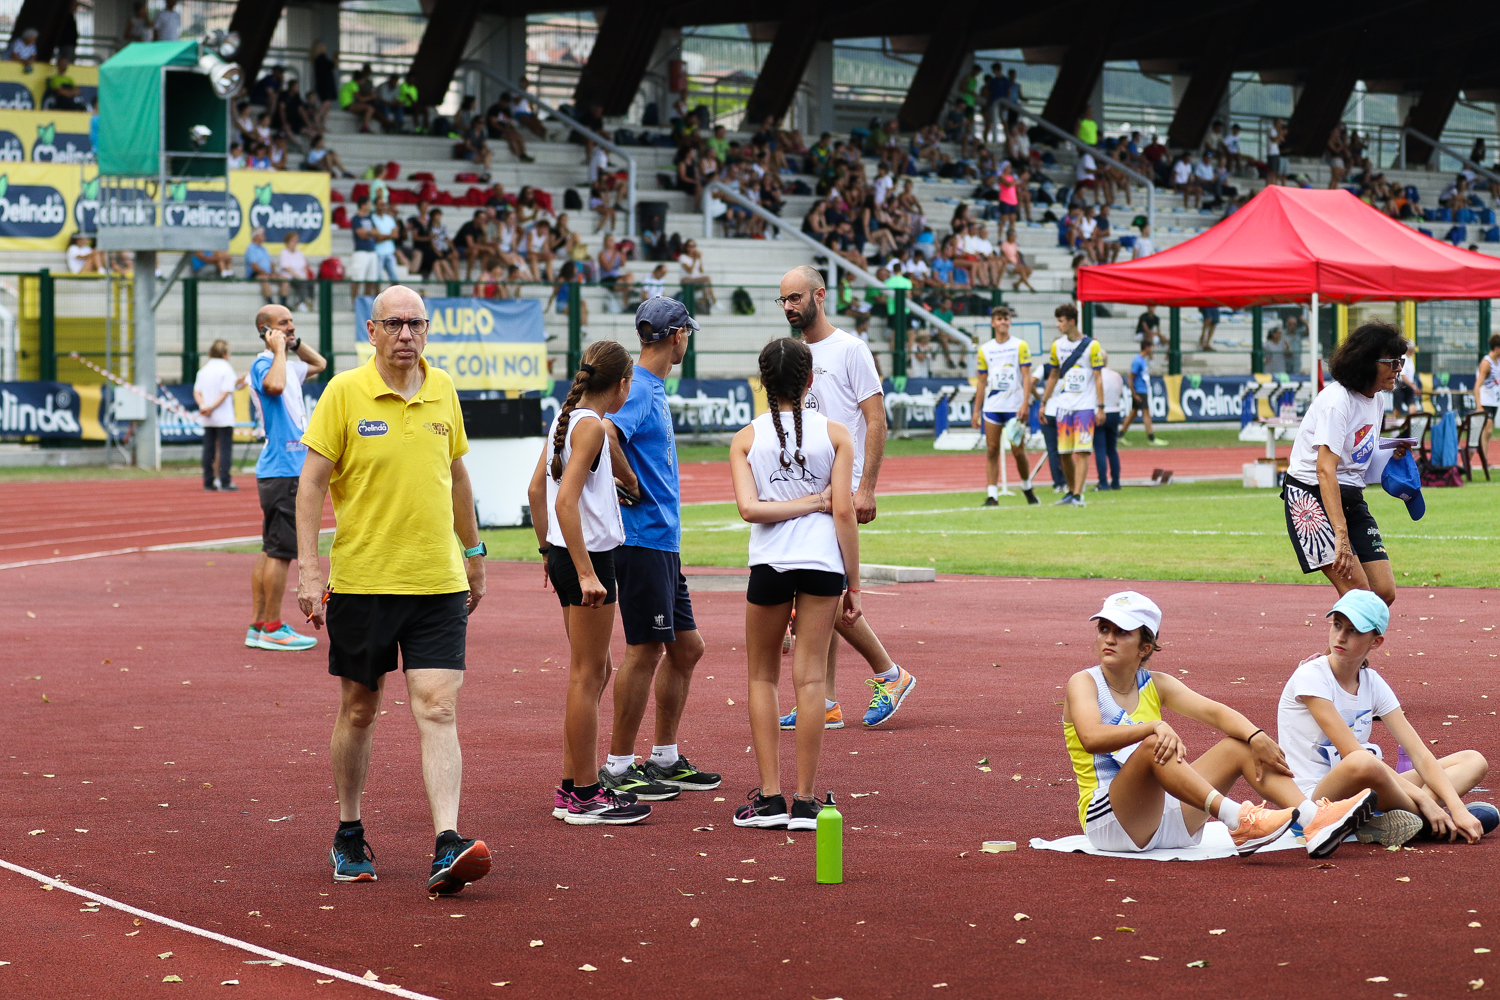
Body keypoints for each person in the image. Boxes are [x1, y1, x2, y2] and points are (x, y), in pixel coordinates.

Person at [296, 285, 491, 894]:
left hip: (437, 581)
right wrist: (309, 570)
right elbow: (310, 485)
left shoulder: (444, 389)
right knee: (360, 709)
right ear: (372, 331)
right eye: (394, 324)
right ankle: (348, 830)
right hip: (364, 583)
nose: (406, 334)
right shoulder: (343, 392)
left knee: (438, 705)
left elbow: (456, 473)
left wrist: (474, 554)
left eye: (416, 324)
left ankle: (447, 841)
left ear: (427, 330)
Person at [1064, 590, 1377, 858]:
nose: (1109, 638)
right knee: (1153, 744)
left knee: (1240, 746)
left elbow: (1216, 713)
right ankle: (1238, 819)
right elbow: (1091, 737)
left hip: (1162, 819)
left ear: (1144, 648)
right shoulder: (1084, 682)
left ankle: (1314, 820)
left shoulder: (1156, 683)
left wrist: (1256, 736)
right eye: (1104, 629)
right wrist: (1152, 726)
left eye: (1121, 632)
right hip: (1108, 823)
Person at [730, 337, 863, 831]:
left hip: (770, 562)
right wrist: (853, 582)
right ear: (810, 380)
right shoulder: (837, 434)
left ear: (762, 382)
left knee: (762, 677)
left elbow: (750, 510)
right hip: (823, 563)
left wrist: (794, 505)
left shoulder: (746, 439)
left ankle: (769, 798)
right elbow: (843, 511)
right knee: (810, 681)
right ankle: (806, 802)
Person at [776, 265, 916, 731]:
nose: (789, 307)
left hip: (840, 490)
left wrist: (866, 486)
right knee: (821, 593)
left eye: (796, 297)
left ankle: (890, 674)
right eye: (783, 300)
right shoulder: (795, 353)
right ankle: (826, 701)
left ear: (819, 295)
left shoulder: (850, 349)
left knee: (824, 596)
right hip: (809, 490)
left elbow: (876, 419)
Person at [593, 299, 721, 803]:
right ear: (677, 335)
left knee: (687, 649)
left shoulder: (649, 385)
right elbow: (605, 432)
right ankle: (619, 765)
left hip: (661, 541)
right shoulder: (642, 387)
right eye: (687, 332)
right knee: (645, 649)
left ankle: (664, 757)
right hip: (643, 538)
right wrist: (629, 482)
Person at [527, 341, 653, 827]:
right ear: (621, 384)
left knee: (595, 672)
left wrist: (549, 551)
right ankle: (584, 793)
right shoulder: (593, 427)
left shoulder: (567, 419)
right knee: (587, 674)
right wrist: (583, 571)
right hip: (588, 559)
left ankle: (571, 786)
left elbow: (536, 490)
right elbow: (563, 501)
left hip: (567, 554)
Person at [1276, 590, 1496, 848]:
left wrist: (1456, 806)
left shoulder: (1372, 682)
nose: (1340, 637)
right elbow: (1351, 753)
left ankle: (1409, 821)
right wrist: (1427, 801)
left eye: (1354, 631)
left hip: (1363, 789)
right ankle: (1428, 822)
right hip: (1312, 801)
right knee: (1362, 760)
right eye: (1337, 625)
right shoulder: (1311, 676)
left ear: (1376, 641)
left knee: (1473, 760)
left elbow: (1419, 754)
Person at [1281, 322, 1411, 605]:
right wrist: (1340, 534)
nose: (1399, 369)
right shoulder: (1336, 402)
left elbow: (1358, 458)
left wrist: (1390, 454)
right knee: (1358, 596)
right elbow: (1324, 470)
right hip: (1311, 496)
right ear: (1366, 362)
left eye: (1400, 361)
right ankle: (1341, 637)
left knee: (1383, 592)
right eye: (1392, 362)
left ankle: (1344, 637)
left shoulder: (1376, 399)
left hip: (1349, 496)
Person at [247, 305, 325, 652]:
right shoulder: (265, 364)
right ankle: (273, 627)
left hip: (283, 469)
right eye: (283, 323)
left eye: (292, 321)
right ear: (266, 331)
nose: (291, 326)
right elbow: (275, 386)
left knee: (271, 550)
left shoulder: (287, 364)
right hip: (283, 469)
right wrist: (278, 348)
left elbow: (320, 364)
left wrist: (293, 343)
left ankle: (258, 625)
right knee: (281, 553)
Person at [970, 306, 1038, 506]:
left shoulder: (1020, 346)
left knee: (1018, 451)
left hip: (1014, 407)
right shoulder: (985, 349)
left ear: (1010, 321)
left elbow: (1026, 376)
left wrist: (1025, 403)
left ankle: (1027, 487)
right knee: (992, 450)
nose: (1003, 322)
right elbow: (981, 381)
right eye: (999, 319)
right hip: (992, 407)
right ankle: (992, 495)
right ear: (993, 323)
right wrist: (976, 410)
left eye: (1006, 318)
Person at [1040, 303, 1106, 506]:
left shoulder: (1092, 346)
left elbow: (1098, 377)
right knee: (1064, 452)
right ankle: (1071, 491)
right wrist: (1044, 402)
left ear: (1071, 321)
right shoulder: (1057, 345)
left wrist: (1101, 406)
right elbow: (1053, 374)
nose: (1057, 325)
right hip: (1064, 405)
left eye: (1060, 321)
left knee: (1083, 450)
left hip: (1085, 405)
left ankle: (1078, 494)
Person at [193, 339, 245, 493]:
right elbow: (225, 392)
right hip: (223, 417)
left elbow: (196, 391)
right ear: (225, 353)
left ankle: (208, 481)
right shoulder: (226, 369)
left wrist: (203, 406)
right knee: (224, 449)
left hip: (208, 417)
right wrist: (212, 407)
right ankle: (224, 480)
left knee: (208, 449)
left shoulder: (203, 370)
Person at [1119, 339, 1165, 445]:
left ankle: (1120, 435)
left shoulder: (1143, 360)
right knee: (1146, 413)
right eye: (1151, 348)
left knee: (1133, 413)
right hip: (1139, 391)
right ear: (1147, 348)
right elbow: (1130, 377)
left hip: (1142, 390)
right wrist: (1134, 393)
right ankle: (1152, 438)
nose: (1153, 350)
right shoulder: (1137, 360)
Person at [1095, 366, 1125, 491]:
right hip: (1114, 411)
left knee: (1100, 449)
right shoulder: (1116, 375)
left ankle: (1103, 482)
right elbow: (1121, 393)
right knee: (1112, 449)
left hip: (1099, 411)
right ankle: (1116, 481)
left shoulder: (1095, 375)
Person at [348, 197, 379, 305]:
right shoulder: (356, 219)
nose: (370, 206)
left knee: (371, 279)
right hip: (361, 251)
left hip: (371, 251)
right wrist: (371, 233)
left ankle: (367, 303)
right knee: (357, 278)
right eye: (368, 204)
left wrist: (368, 233)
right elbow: (361, 234)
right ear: (363, 205)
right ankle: (354, 302)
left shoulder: (370, 218)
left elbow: (376, 232)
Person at [244, 228, 288, 306]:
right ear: (256, 236)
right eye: (262, 235)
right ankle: (269, 302)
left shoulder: (263, 249)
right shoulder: (251, 249)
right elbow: (254, 266)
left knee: (284, 279)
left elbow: (271, 263)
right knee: (264, 278)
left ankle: (283, 303)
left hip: (268, 273)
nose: (264, 237)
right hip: (256, 274)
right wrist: (267, 274)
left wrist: (273, 273)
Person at [276, 231, 315, 311]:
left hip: (300, 276)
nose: (295, 243)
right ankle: (301, 303)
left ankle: (309, 302)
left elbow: (304, 266)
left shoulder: (299, 253)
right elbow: (286, 268)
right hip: (290, 276)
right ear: (288, 241)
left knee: (310, 283)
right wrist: (298, 276)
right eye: (293, 241)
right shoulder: (284, 252)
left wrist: (305, 276)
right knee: (302, 283)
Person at [1476, 333, 1500, 459]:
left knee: (1487, 432)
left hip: (1494, 401)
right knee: (1488, 430)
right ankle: (1484, 458)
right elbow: (1477, 386)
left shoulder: (1498, 362)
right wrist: (1479, 406)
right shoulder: (1487, 363)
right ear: (1497, 348)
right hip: (1485, 401)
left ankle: (1481, 457)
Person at [679, 239, 715, 312]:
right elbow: (689, 270)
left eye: (693, 246)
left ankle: (707, 299)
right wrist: (695, 259)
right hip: (687, 280)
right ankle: (713, 300)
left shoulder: (696, 258)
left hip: (695, 279)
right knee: (706, 279)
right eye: (690, 246)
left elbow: (701, 270)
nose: (692, 248)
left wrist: (700, 259)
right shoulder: (683, 257)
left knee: (706, 281)